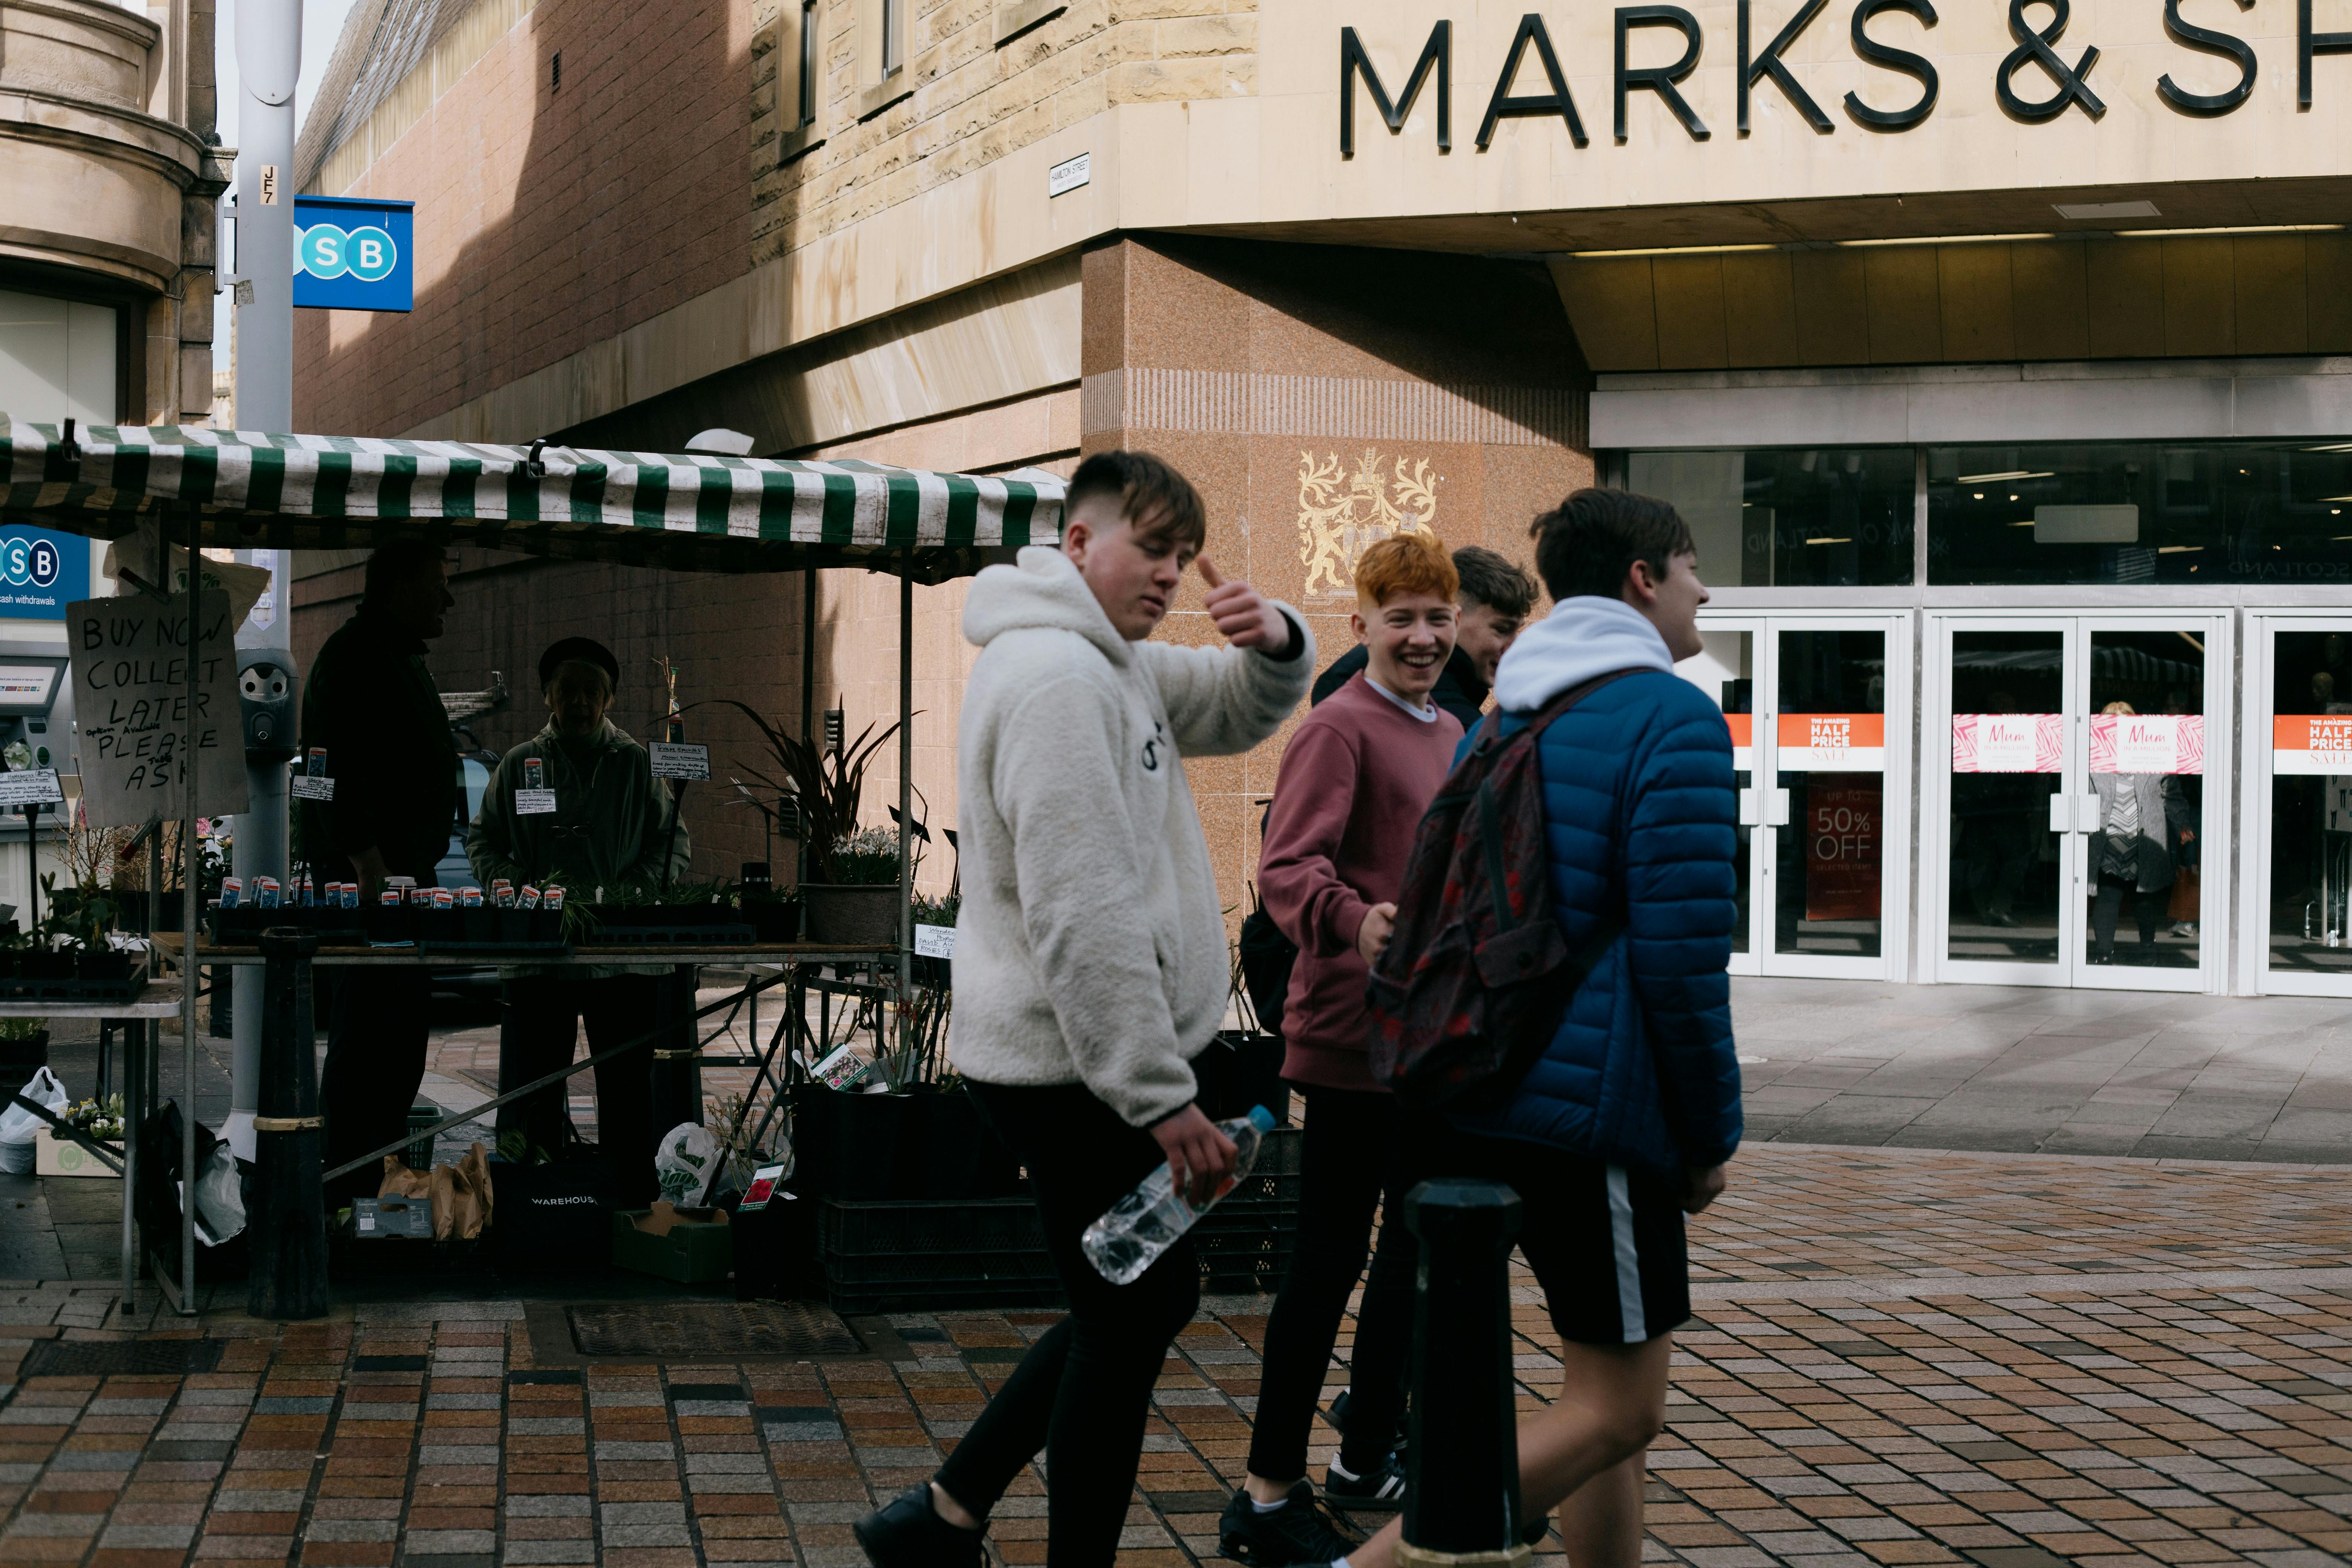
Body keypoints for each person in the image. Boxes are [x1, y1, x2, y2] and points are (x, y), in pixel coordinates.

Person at [854, 450, 1314, 1568]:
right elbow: (1083, 912)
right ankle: (982, 1531)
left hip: (1081, 1066)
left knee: (1135, 1306)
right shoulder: (1059, 679)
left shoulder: (1113, 663)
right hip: (1073, 1072)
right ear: (1076, 544)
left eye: (1177, 552)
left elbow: (1232, 703)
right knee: (1129, 1317)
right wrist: (1163, 1099)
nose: (1166, 572)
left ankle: (944, 1515)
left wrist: (1277, 640)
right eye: (1145, 547)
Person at [1308, 489, 1743, 1568]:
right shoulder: (1671, 714)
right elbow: (1684, 958)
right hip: (1593, 1108)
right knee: (1622, 1409)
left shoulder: (1504, 712)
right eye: (1692, 569)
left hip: (1472, 1080)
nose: (1705, 592)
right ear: (1643, 579)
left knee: (1599, 1403)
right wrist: (1707, 1138)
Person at [1223, 532, 1467, 1561]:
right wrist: (1350, 917)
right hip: (1351, 1038)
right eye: (1400, 616)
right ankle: (1265, 1496)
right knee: (1327, 1266)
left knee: (1417, 1257)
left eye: (1437, 617)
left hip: (1432, 1039)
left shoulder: (1453, 728)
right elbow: (1287, 867)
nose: (1421, 636)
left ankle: (1369, 1455)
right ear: (1361, 623)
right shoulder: (1337, 727)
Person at [466, 637, 689, 1204]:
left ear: (609, 698)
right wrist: (516, 884)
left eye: (593, 691)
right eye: (569, 691)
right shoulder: (521, 765)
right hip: (541, 954)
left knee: (625, 1086)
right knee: (533, 1084)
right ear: (548, 697)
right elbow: (482, 840)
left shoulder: (636, 763)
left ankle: (628, 1198)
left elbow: (673, 841)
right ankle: (529, 1199)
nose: (581, 702)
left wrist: (636, 891)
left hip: (619, 956)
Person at [300, 542, 459, 1209]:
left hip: (400, 881)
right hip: (369, 885)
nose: (447, 599)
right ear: (398, 588)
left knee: (397, 1039)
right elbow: (326, 769)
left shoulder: (396, 655)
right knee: (368, 1038)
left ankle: (382, 1183)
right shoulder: (355, 658)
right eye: (437, 585)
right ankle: (350, 1189)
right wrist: (365, 859)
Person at [1309, 544, 1539, 729]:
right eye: (1502, 629)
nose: (1422, 638)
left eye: (1436, 618)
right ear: (1361, 628)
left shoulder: (1446, 726)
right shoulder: (1454, 721)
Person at [2089, 700, 2174, 965]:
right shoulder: (2092, 758)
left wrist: (2184, 825)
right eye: (2110, 725)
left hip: (2144, 837)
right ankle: (2104, 954)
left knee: (2145, 898)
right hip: (2107, 836)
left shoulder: (2154, 755)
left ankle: (2149, 951)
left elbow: (2172, 795)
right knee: (2108, 894)